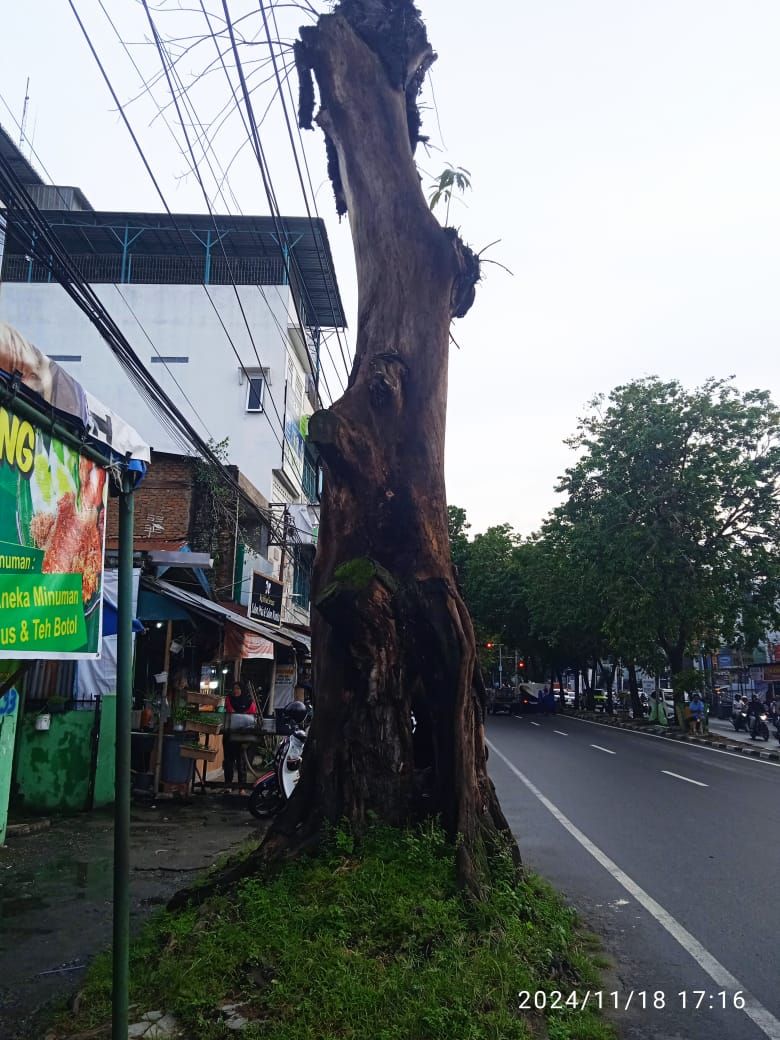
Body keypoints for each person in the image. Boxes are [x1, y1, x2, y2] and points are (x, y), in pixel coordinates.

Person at [223, 681, 257, 791]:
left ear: (242, 690)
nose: (235, 691)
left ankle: (241, 788)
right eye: (234, 689)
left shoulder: (249, 702)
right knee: (228, 761)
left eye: (238, 688)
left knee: (241, 762)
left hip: (243, 736)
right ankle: (228, 785)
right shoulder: (229, 699)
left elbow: (251, 716)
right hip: (229, 734)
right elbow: (230, 711)